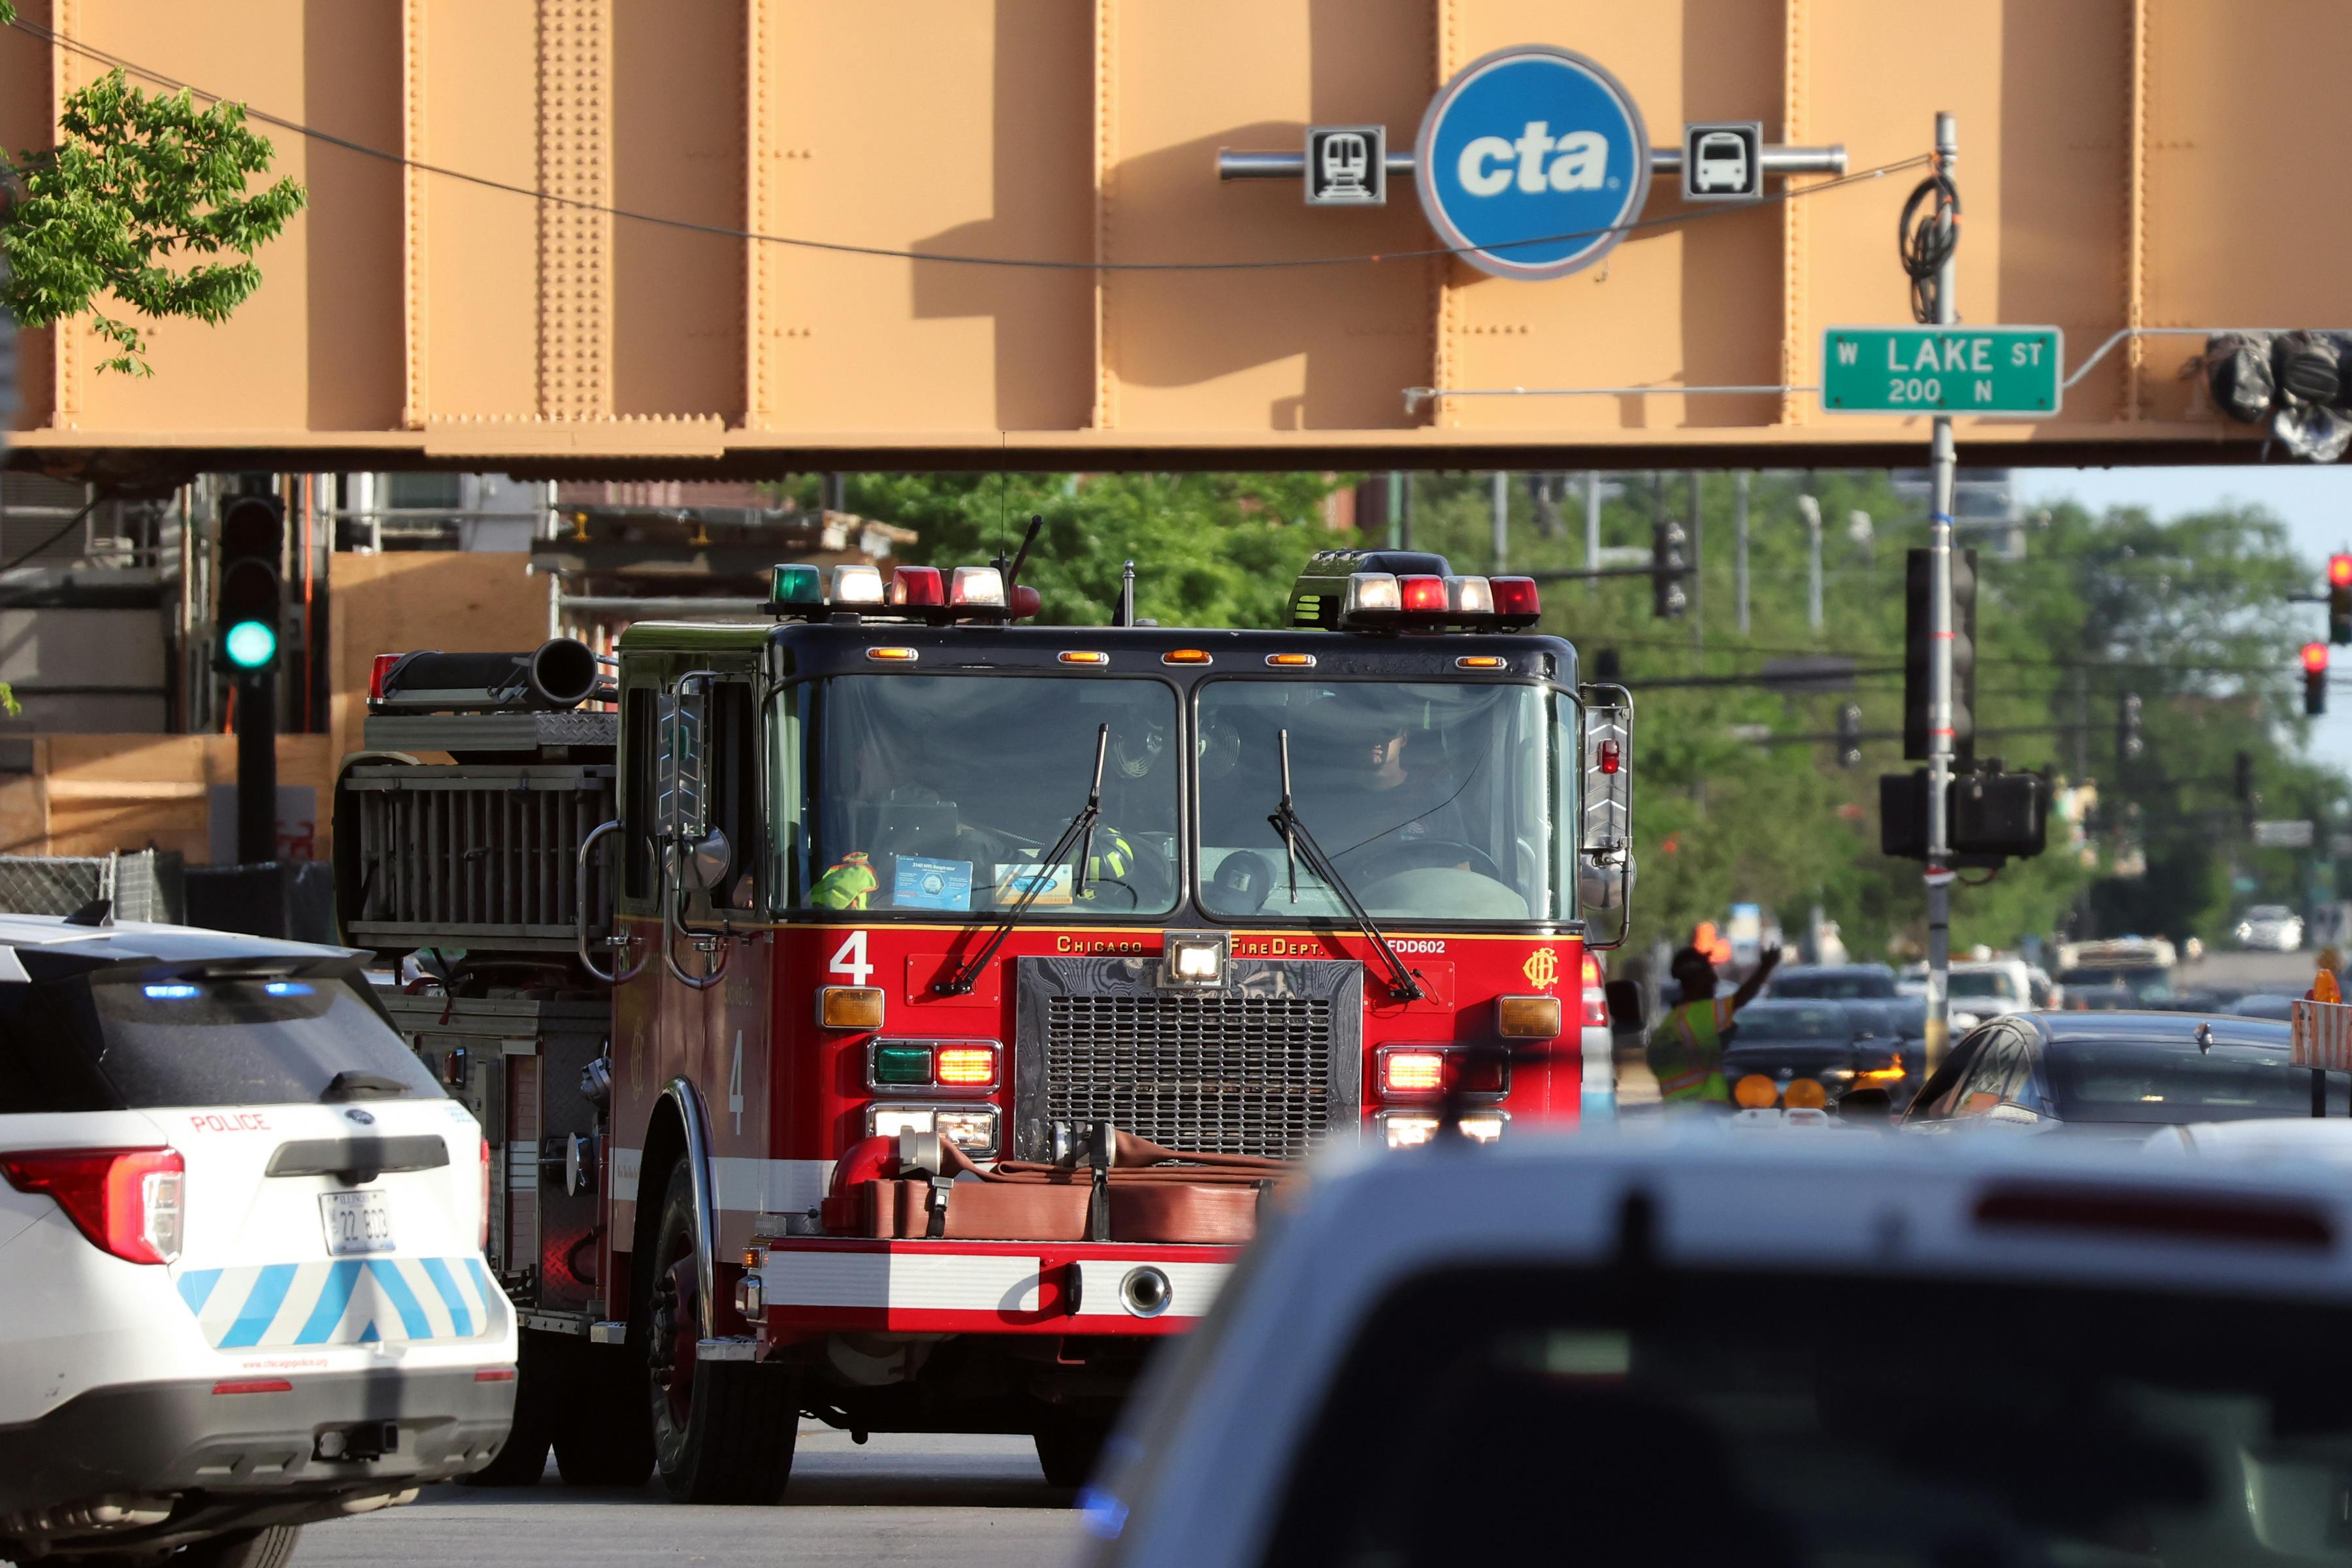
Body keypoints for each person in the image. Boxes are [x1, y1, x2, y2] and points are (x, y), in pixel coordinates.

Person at [1647, 943, 1782, 1109]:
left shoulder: (1670, 1024)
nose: (1714, 980)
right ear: (1695, 979)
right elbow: (1742, 997)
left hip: (1679, 1116)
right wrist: (1766, 966)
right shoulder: (1700, 1014)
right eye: (1709, 974)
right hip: (1703, 1114)